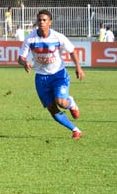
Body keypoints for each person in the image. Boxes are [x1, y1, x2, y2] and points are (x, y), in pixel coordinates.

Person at [18, 9, 84, 139]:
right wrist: (24, 63)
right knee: (51, 108)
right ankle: (75, 130)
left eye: (44, 20)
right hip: (41, 78)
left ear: (50, 22)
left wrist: (78, 67)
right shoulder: (30, 39)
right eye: (39, 20)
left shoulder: (58, 37)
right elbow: (20, 58)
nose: (41, 22)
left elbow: (72, 51)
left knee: (61, 102)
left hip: (58, 74)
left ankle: (70, 102)